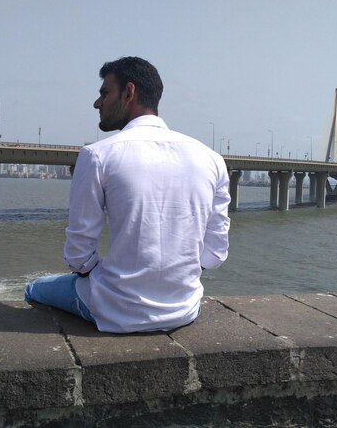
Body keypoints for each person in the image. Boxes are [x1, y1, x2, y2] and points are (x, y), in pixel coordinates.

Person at [25, 57, 230, 333]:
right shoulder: (212, 159)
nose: (97, 104)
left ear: (129, 93)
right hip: (183, 309)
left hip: (114, 309)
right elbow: (214, 254)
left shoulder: (97, 155)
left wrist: (93, 274)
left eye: (104, 93)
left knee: (34, 288)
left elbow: (78, 255)